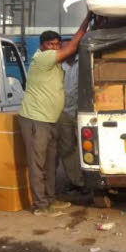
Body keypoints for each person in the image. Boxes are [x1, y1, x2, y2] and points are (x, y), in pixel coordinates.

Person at [19, 15, 91, 216]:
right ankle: (40, 206)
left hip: (51, 120)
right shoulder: (42, 58)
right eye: (50, 44)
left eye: (57, 44)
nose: (54, 47)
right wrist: (86, 22)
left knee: (51, 163)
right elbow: (72, 47)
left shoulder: (56, 65)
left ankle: (51, 200)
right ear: (42, 46)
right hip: (36, 120)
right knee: (38, 164)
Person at [57, 54, 87, 193]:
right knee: (67, 148)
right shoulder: (58, 66)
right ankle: (77, 181)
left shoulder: (84, 61)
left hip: (82, 111)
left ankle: (90, 180)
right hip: (63, 112)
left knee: (86, 147)